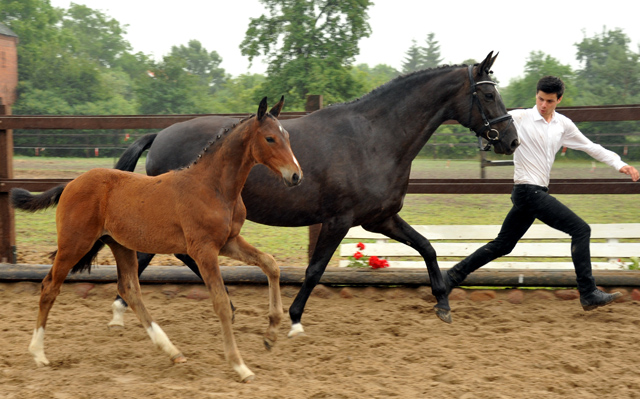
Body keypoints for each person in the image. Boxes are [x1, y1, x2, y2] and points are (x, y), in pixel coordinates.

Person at [444, 76, 640, 310]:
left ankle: (449, 279)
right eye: (540, 99)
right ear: (536, 95)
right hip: (527, 191)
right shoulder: (519, 117)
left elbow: (590, 146)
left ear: (559, 100)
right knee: (580, 229)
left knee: (502, 245)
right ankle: (588, 293)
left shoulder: (562, 124)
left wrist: (620, 164)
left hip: (534, 193)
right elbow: (486, 120)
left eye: (549, 101)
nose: (543, 105)